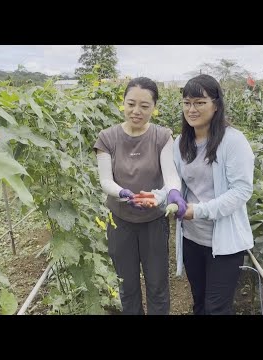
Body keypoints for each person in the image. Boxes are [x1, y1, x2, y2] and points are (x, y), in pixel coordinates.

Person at [93, 77, 186, 315]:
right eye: (131, 103)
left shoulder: (162, 136)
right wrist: (122, 192)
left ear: (154, 108)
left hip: (153, 222)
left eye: (145, 106)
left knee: (157, 285)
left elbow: (171, 175)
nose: (136, 111)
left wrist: (171, 192)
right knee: (127, 285)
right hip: (120, 222)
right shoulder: (107, 137)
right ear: (122, 103)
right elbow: (105, 180)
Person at [173, 74, 255, 315]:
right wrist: (155, 198)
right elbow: (174, 185)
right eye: (187, 102)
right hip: (191, 238)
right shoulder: (181, 143)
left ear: (216, 104)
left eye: (200, 102)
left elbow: (241, 191)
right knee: (199, 302)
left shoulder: (233, 142)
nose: (192, 109)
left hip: (225, 244)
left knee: (216, 308)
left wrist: (198, 210)